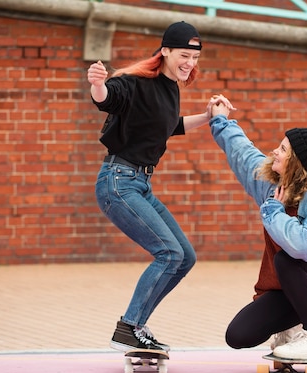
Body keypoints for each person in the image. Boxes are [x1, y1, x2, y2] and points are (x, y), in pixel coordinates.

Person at [87, 21, 233, 353]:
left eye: (195, 58)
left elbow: (169, 127)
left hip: (139, 184)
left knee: (185, 257)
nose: (190, 64)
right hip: (118, 182)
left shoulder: (170, 87)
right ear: (165, 50)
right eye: (184, 55)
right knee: (168, 253)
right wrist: (98, 85)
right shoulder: (135, 82)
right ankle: (128, 328)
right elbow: (108, 99)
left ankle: (135, 326)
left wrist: (208, 115)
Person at [207, 101, 307, 360]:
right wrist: (220, 120)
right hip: (293, 287)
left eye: (282, 149)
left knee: (287, 258)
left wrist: (274, 211)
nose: (275, 151)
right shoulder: (270, 182)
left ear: (297, 161)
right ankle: (292, 327)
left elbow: (301, 245)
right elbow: (242, 152)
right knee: (238, 335)